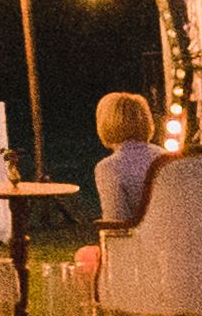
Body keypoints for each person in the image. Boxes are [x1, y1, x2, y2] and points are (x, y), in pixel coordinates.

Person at [71, 91, 166, 278]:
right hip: (170, 248)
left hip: (138, 252)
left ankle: (101, 305)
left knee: (84, 256)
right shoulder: (166, 158)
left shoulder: (110, 167)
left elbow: (115, 223)